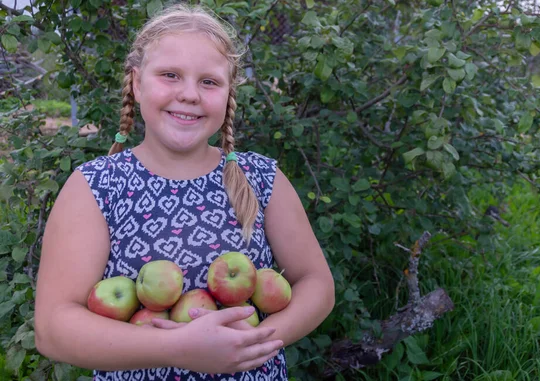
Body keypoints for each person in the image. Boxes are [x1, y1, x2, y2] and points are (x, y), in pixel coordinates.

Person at [33, 4, 335, 381]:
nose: (190, 94)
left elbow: (317, 284)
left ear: (228, 95)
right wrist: (178, 349)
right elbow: (52, 328)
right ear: (138, 83)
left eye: (209, 82)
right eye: (170, 75)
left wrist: (256, 341)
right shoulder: (95, 187)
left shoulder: (261, 178)